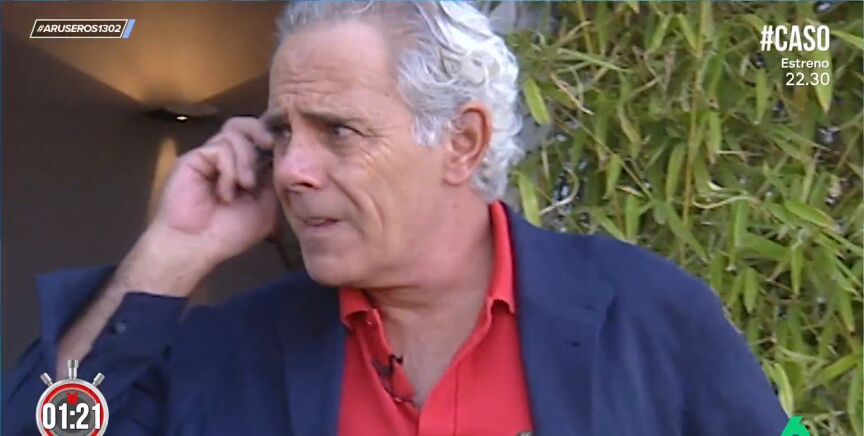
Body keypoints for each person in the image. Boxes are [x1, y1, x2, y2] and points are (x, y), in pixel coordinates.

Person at [3, 2, 789, 435]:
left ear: (462, 141)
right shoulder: (235, 351)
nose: (293, 168)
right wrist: (172, 250)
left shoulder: (647, 314)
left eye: (338, 131)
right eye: (283, 133)